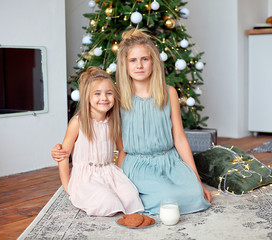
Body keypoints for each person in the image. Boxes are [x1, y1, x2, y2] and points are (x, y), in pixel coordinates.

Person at [114, 28, 212, 215]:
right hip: (138, 165)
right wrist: (119, 184)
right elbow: (121, 148)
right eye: (133, 60)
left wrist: (197, 181)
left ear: (153, 62)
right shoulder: (119, 98)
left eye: (145, 59)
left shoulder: (169, 93)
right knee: (165, 198)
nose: (139, 65)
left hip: (170, 161)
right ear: (125, 65)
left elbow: (180, 139)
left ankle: (179, 189)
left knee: (194, 196)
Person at [54, 66, 143, 216]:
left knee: (130, 197)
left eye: (109, 93)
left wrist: (118, 171)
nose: (104, 98)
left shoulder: (113, 122)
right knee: (108, 202)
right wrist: (67, 186)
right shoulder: (78, 122)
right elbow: (62, 155)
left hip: (109, 171)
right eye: (97, 94)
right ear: (87, 97)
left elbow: (122, 149)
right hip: (86, 177)